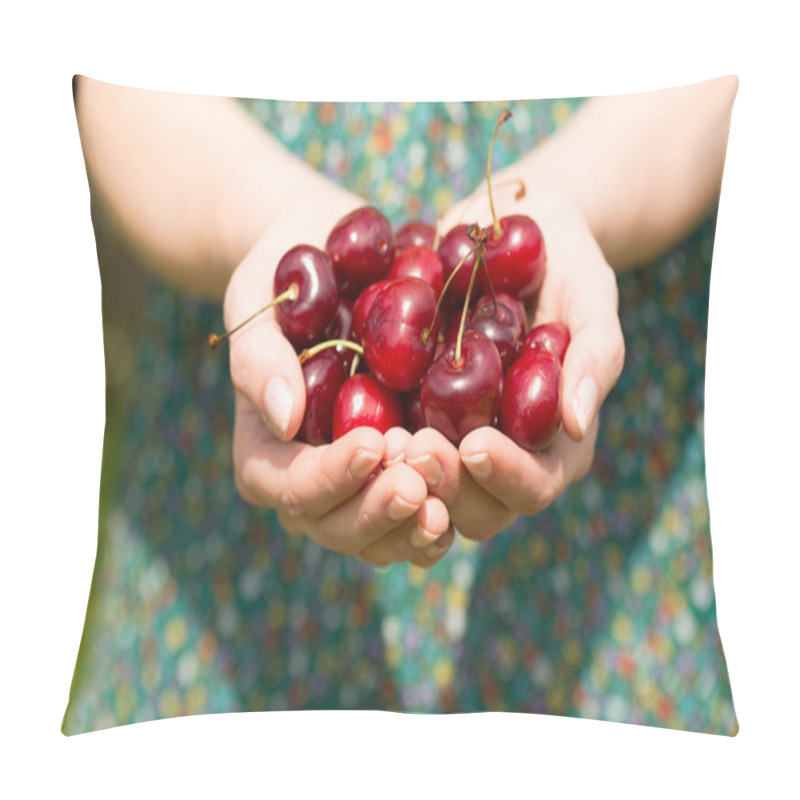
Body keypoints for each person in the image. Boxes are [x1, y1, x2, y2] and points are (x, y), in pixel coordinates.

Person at [63, 76, 739, 733]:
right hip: (239, 562)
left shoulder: (497, 303)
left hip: (615, 509)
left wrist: (577, 196)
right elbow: (114, 73)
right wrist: (260, 216)